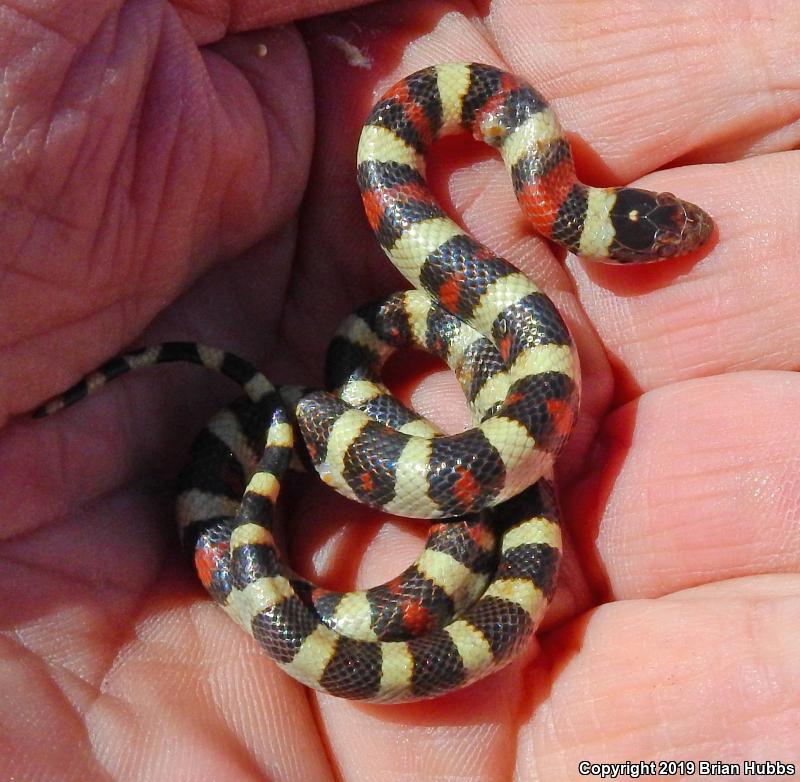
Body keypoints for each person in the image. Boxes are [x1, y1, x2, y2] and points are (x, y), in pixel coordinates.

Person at [1, 1, 797, 779]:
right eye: (653, 235)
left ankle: (291, 438)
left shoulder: (516, 195)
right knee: (385, 437)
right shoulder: (496, 163)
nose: (678, 233)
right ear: (587, 220)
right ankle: (289, 439)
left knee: (435, 466)